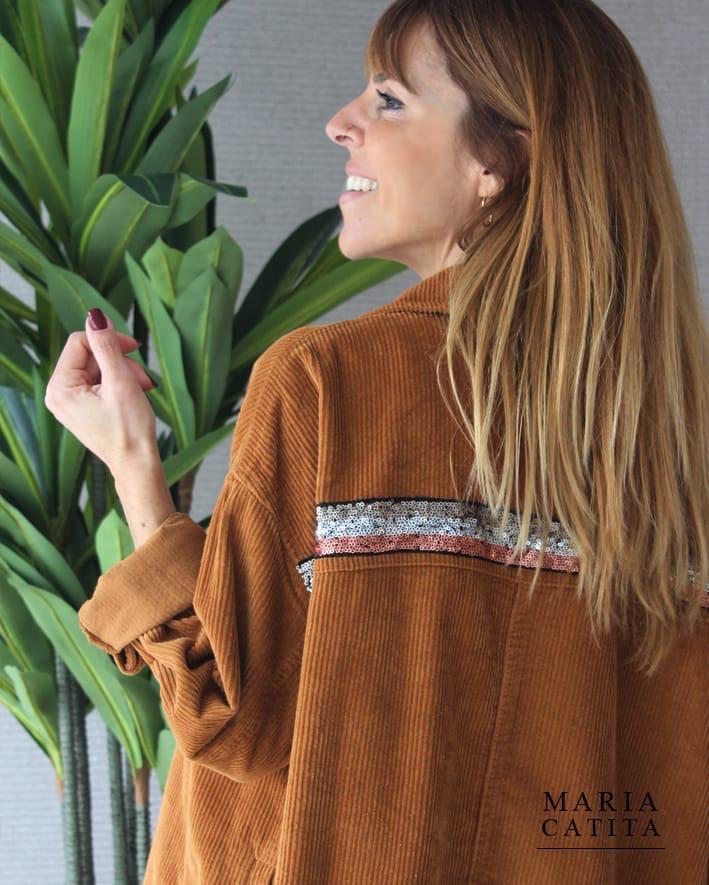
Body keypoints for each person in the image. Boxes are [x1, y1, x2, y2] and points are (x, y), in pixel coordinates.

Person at [45, 1, 708, 882]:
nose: (339, 123)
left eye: (389, 100)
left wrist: (134, 465)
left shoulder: (327, 385)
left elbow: (232, 719)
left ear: (497, 161)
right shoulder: (676, 438)